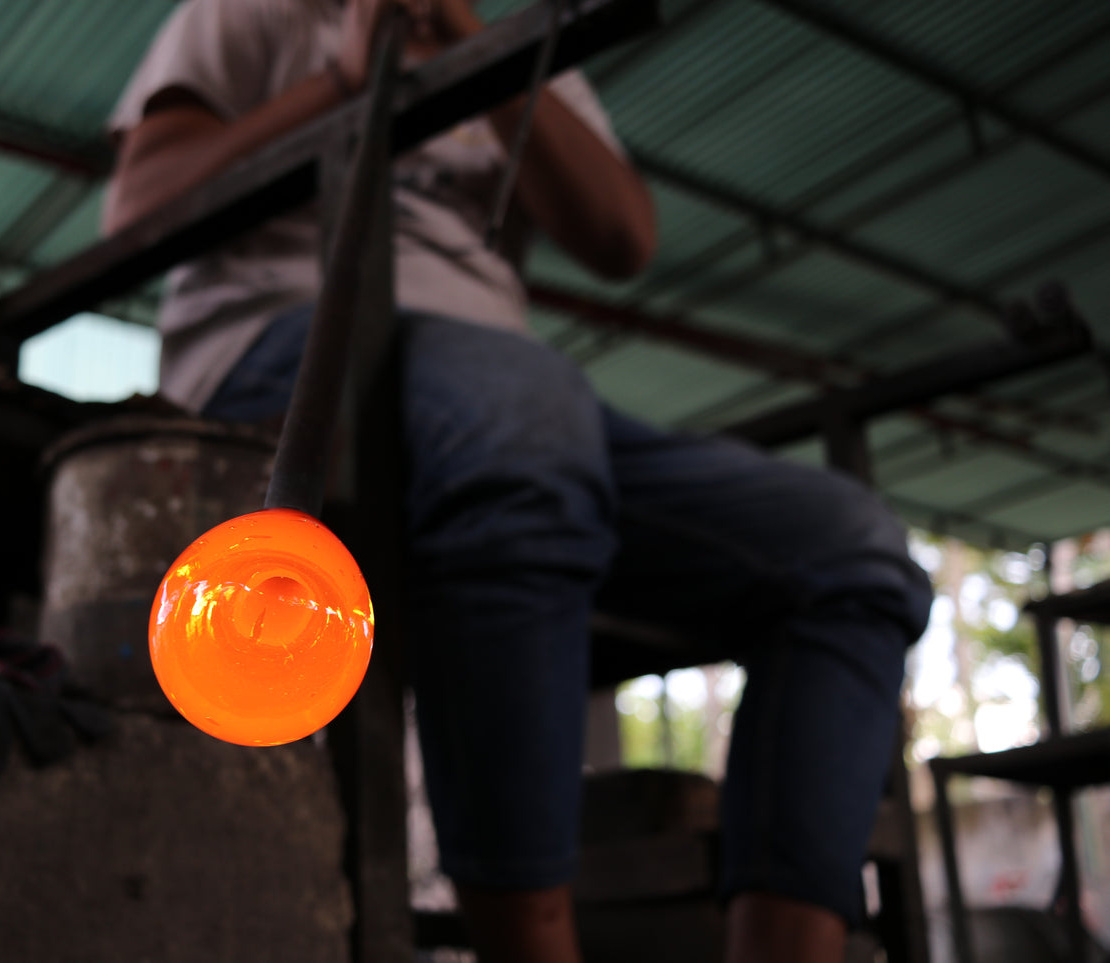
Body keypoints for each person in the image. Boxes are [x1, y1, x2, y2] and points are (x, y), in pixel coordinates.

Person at [103, 1, 934, 961]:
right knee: (522, 422)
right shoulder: (248, 14)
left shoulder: (510, 43)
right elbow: (138, 203)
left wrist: (467, 53)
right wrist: (336, 83)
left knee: (852, 548)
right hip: (287, 346)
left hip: (508, 392)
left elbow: (621, 237)